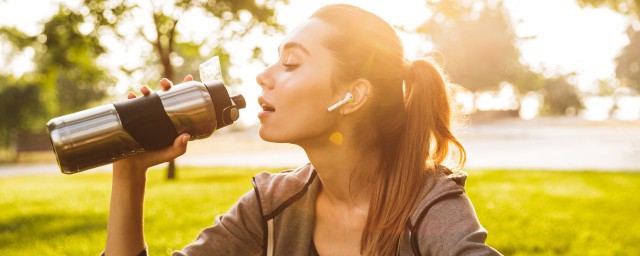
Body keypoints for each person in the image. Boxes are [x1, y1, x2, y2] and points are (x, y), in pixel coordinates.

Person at [104, 4, 501, 256]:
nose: (263, 76)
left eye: (291, 64)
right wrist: (129, 170)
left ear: (352, 97)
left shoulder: (429, 208)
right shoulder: (272, 205)